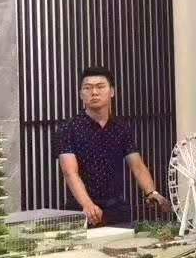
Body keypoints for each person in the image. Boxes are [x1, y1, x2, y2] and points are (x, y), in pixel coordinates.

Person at [55, 66, 169, 228]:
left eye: (100, 86)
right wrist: (88, 205)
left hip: (117, 208)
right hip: (82, 208)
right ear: (81, 94)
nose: (94, 92)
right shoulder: (68, 128)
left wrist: (152, 192)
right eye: (88, 88)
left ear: (112, 92)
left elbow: (137, 165)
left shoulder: (121, 127)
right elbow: (70, 172)